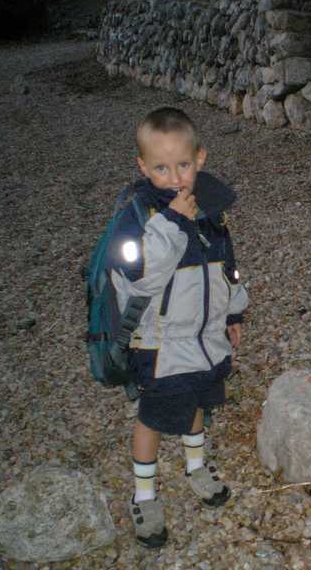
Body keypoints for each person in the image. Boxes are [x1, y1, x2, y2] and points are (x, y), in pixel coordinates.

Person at [106, 106, 248, 547]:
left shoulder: (211, 209)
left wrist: (234, 313)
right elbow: (142, 277)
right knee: (153, 416)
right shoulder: (137, 216)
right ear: (143, 166)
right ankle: (144, 494)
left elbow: (227, 268)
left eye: (183, 165)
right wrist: (172, 221)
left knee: (198, 401)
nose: (174, 178)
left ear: (199, 158)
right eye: (161, 168)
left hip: (205, 338)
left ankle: (196, 467)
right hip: (159, 343)